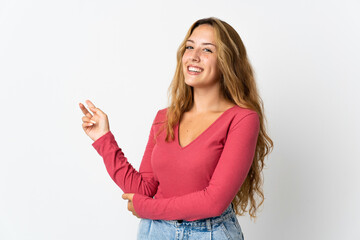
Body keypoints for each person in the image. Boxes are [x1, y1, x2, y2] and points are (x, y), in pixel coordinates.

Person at [79, 17, 273, 240]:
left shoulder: (242, 119)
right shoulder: (165, 117)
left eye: (207, 50)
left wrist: (147, 208)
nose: (194, 56)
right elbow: (144, 188)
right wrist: (103, 139)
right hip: (155, 232)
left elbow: (214, 202)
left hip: (210, 233)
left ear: (227, 61)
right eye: (189, 47)